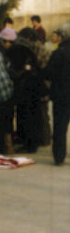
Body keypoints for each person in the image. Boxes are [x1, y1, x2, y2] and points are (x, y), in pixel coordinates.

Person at [43, 24, 70, 165]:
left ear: (62, 37)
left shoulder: (59, 53)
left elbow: (49, 73)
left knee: (60, 127)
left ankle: (59, 157)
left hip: (62, 95)